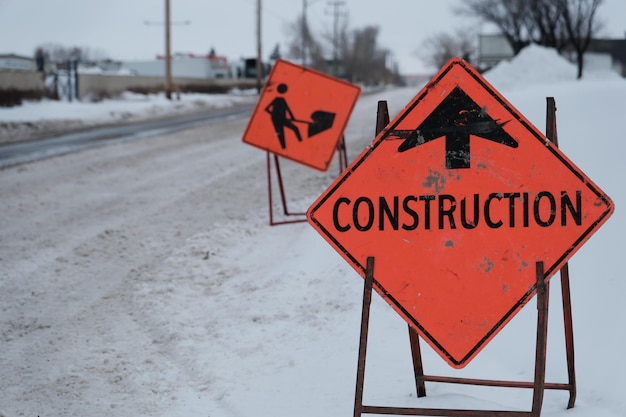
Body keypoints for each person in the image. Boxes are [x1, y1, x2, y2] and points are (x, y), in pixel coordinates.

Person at [264, 83, 302, 149]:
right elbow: (266, 109)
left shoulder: (282, 99)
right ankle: (284, 148)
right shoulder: (277, 99)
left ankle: (301, 143)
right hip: (277, 119)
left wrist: (292, 118)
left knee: (295, 128)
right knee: (281, 134)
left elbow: (288, 109)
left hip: (281, 119)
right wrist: (273, 114)